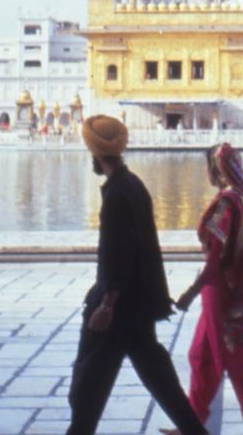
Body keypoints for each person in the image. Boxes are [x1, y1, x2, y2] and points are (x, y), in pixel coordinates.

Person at [66, 115, 207, 435]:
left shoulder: (117, 193)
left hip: (118, 308)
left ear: (94, 152)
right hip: (138, 304)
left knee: (88, 387)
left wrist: (106, 304)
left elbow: (120, 251)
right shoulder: (133, 184)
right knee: (159, 380)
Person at [173, 144, 243, 435]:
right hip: (228, 292)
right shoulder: (242, 198)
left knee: (240, 362)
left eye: (209, 168)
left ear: (216, 169)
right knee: (201, 355)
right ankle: (192, 422)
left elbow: (214, 261)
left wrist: (189, 293)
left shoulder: (227, 202)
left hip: (225, 296)